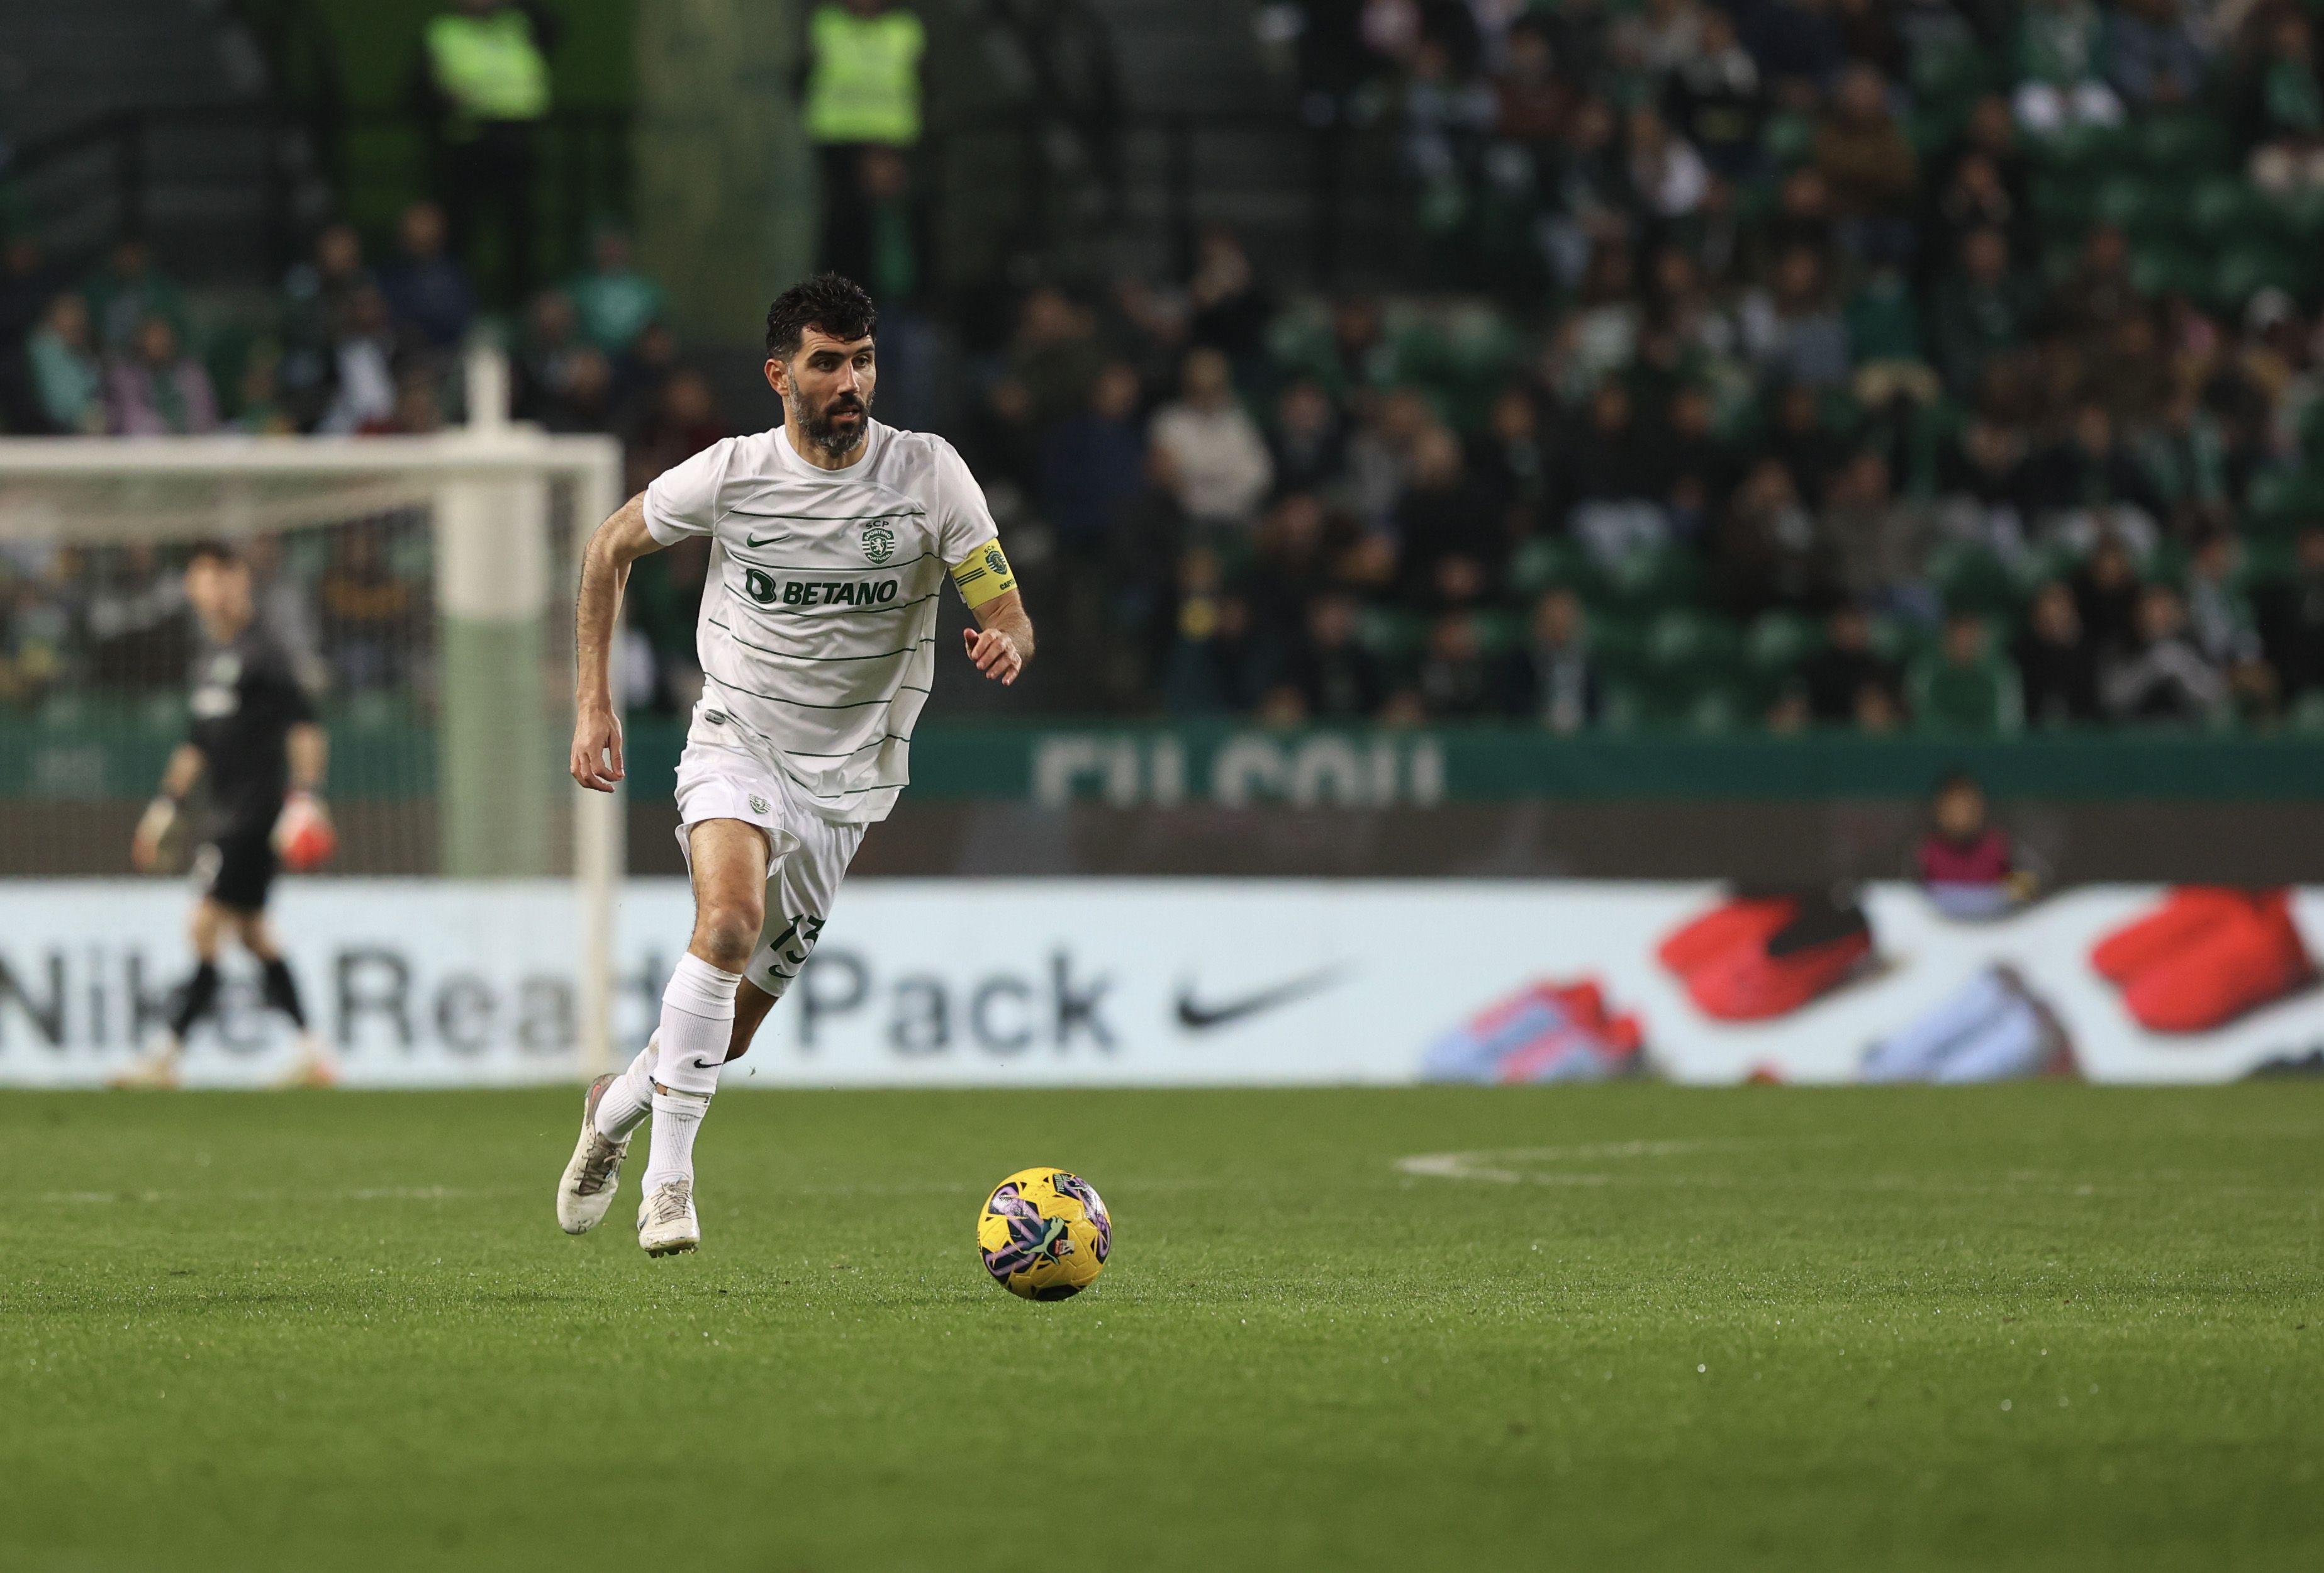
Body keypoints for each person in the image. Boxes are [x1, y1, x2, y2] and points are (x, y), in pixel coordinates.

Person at [555, 273, 1034, 1257]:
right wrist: (592, 702)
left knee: (728, 1034)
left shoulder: (928, 474)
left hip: (849, 783)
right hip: (737, 741)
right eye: (826, 363)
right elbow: (607, 549)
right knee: (727, 924)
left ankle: (614, 1108)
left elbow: (1005, 605)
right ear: (780, 376)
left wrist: (1008, 639)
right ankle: (668, 1186)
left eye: (862, 361)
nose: (849, 381)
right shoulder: (731, 473)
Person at [112, 543, 337, 1089]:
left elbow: (305, 726)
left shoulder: (266, 652)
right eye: (203, 579)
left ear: (241, 583)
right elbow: (197, 744)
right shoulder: (212, 657)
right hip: (224, 810)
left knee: (205, 925)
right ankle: (312, 1053)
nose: (213, 590)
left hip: (254, 815)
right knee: (254, 936)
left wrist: (306, 797)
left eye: (222, 577)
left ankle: (167, 1055)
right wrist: (166, 805)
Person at [421, 0, 557, 303]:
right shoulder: (445, 31)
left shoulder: (518, 23)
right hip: (469, 141)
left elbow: (554, 29)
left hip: (517, 140)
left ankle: (521, 301)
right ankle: (456, 302)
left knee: (520, 230)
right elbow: (421, 87)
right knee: (462, 230)